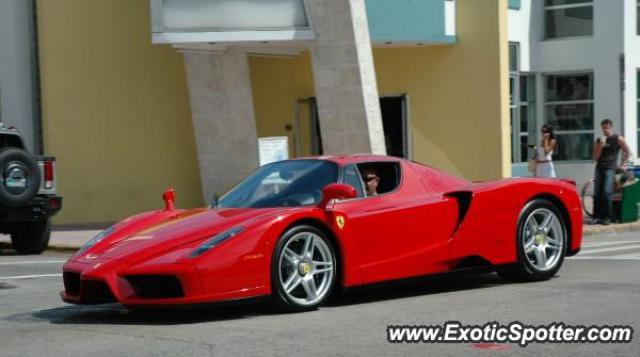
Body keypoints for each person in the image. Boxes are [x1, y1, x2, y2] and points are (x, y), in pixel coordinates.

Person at [592, 119, 632, 225]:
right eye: (603, 128)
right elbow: (595, 157)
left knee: (606, 192)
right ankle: (596, 217)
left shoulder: (617, 138)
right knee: (597, 193)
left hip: (610, 168)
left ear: (611, 127)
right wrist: (600, 146)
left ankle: (607, 217)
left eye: (607, 128)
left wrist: (623, 164)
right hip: (599, 167)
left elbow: (628, 152)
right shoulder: (599, 140)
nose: (605, 130)